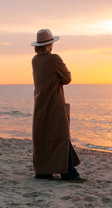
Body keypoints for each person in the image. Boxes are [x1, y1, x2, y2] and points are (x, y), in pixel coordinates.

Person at [31, 28, 88, 183]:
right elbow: (67, 78)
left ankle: (44, 171)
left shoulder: (34, 60)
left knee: (44, 136)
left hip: (40, 103)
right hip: (54, 104)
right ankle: (68, 173)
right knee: (61, 136)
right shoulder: (54, 58)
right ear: (50, 45)